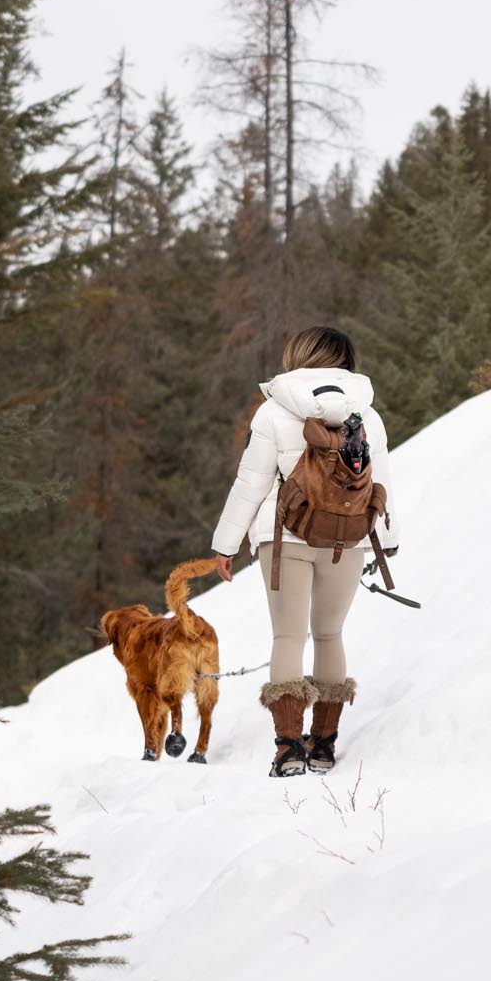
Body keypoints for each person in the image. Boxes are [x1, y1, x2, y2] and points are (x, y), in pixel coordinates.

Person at [211, 324, 398, 777]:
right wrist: (386, 541)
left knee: (288, 637)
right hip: (347, 537)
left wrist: (226, 543)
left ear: (300, 355)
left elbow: (251, 483)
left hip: (285, 538)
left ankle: (288, 747)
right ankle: (324, 744)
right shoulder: (366, 412)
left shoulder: (275, 409)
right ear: (346, 359)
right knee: (330, 635)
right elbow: (381, 481)